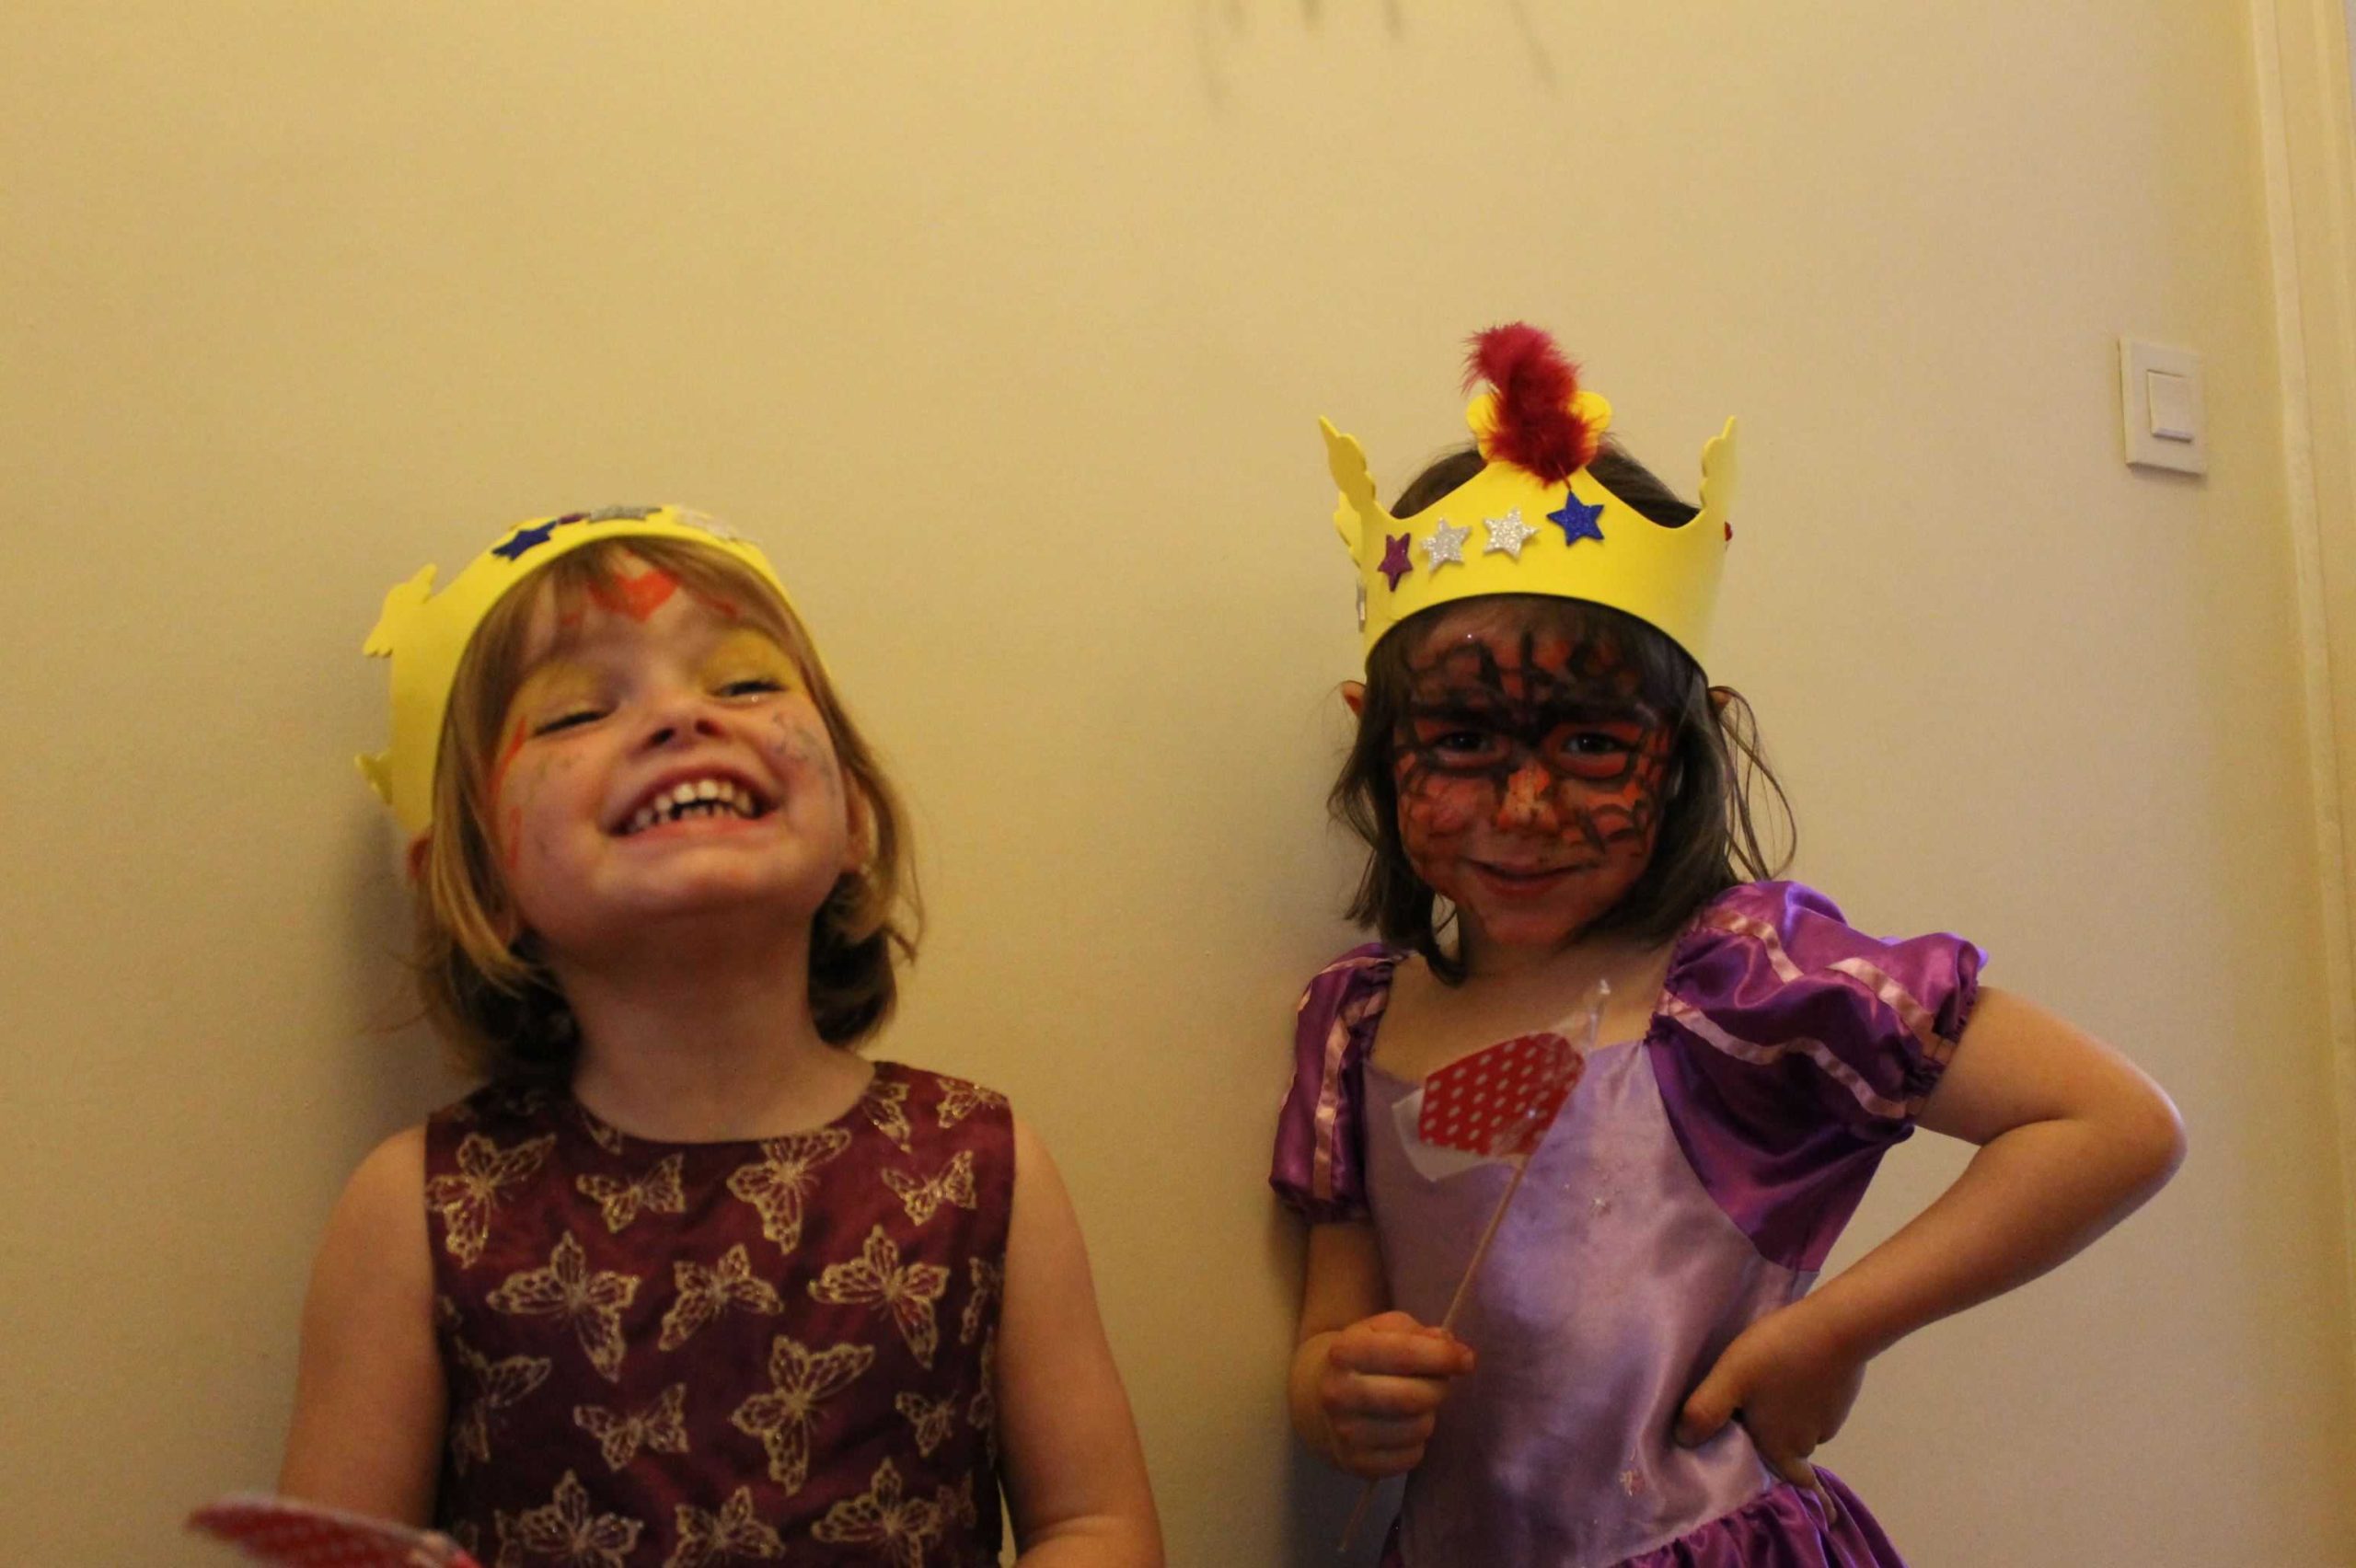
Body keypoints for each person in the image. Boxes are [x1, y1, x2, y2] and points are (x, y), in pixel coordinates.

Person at [1272, 329, 2185, 1566]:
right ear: (1376, 741)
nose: (1526, 808)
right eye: (1466, 742)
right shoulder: (1355, 1028)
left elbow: (2114, 1124)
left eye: (1591, 746)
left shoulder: (1741, 987)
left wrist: (1833, 1332)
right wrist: (1337, 1389)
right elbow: (1330, 1330)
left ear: (1685, 747)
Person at [282, 506, 1161, 1567]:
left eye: (742, 684)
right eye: (575, 711)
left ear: (854, 819)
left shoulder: (984, 1166)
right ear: (478, 878)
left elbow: (1094, 1526)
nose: (679, 718)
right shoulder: (414, 1209)